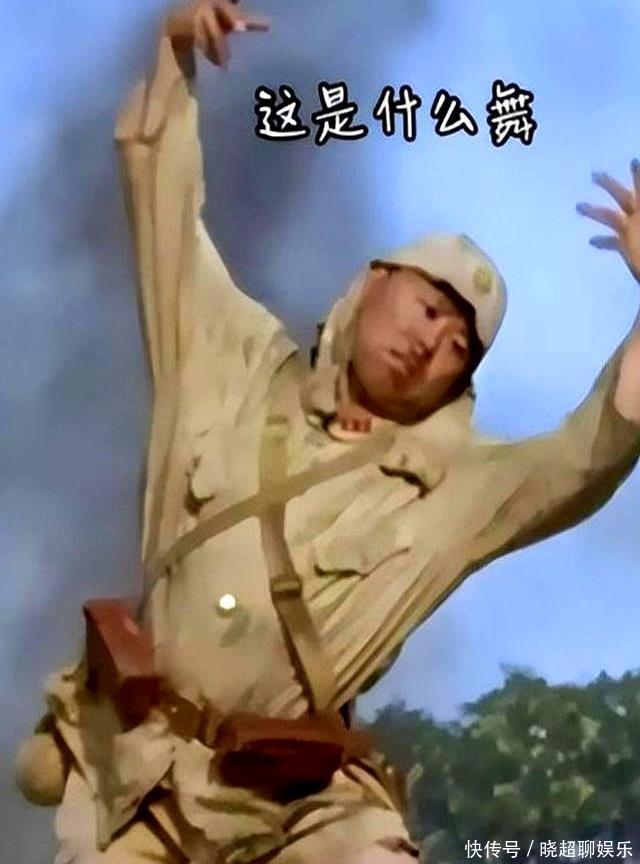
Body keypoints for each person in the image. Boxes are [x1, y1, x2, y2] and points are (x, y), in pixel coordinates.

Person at [15, 2, 640, 862]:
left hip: (299, 806)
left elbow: (592, 450)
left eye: (459, 346)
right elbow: (164, 204)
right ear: (370, 283)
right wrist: (174, 53)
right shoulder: (229, 357)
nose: (431, 341)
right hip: (142, 784)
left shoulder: (460, 488)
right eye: (426, 306)